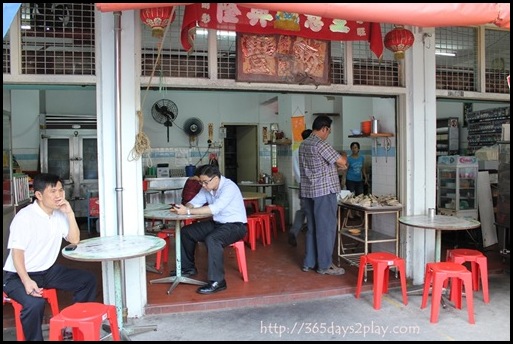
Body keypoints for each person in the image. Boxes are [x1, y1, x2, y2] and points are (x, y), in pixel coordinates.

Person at [3, 173, 97, 341]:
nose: (59, 195)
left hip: (46, 271)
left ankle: (73, 327)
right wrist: (26, 281)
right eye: (53, 191)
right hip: (17, 275)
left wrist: (69, 213)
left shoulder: (58, 214)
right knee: (34, 304)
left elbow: (74, 240)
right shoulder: (25, 217)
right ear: (39, 195)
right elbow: (17, 253)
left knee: (87, 280)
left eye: (61, 190)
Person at [170, 164, 247, 294]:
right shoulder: (207, 188)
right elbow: (194, 202)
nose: (203, 185)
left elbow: (215, 208)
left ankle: (218, 282)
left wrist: (187, 211)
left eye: (205, 182)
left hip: (236, 226)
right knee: (186, 232)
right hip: (218, 223)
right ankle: (187, 268)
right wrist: (184, 207)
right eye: (201, 182)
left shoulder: (229, 187)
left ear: (216, 178)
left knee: (212, 239)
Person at [299, 115, 347, 275]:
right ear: (324, 128)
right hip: (324, 192)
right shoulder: (321, 144)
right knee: (326, 229)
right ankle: (324, 266)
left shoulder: (304, 144)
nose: (328, 134)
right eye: (328, 131)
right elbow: (341, 161)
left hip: (308, 192)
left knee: (312, 228)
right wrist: (343, 159)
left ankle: (309, 262)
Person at [288, 128, 312, 247]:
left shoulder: (295, 151)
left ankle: (294, 230)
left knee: (303, 209)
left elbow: (295, 169)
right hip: (311, 184)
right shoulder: (308, 151)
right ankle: (312, 236)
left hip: (301, 184)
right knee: (312, 210)